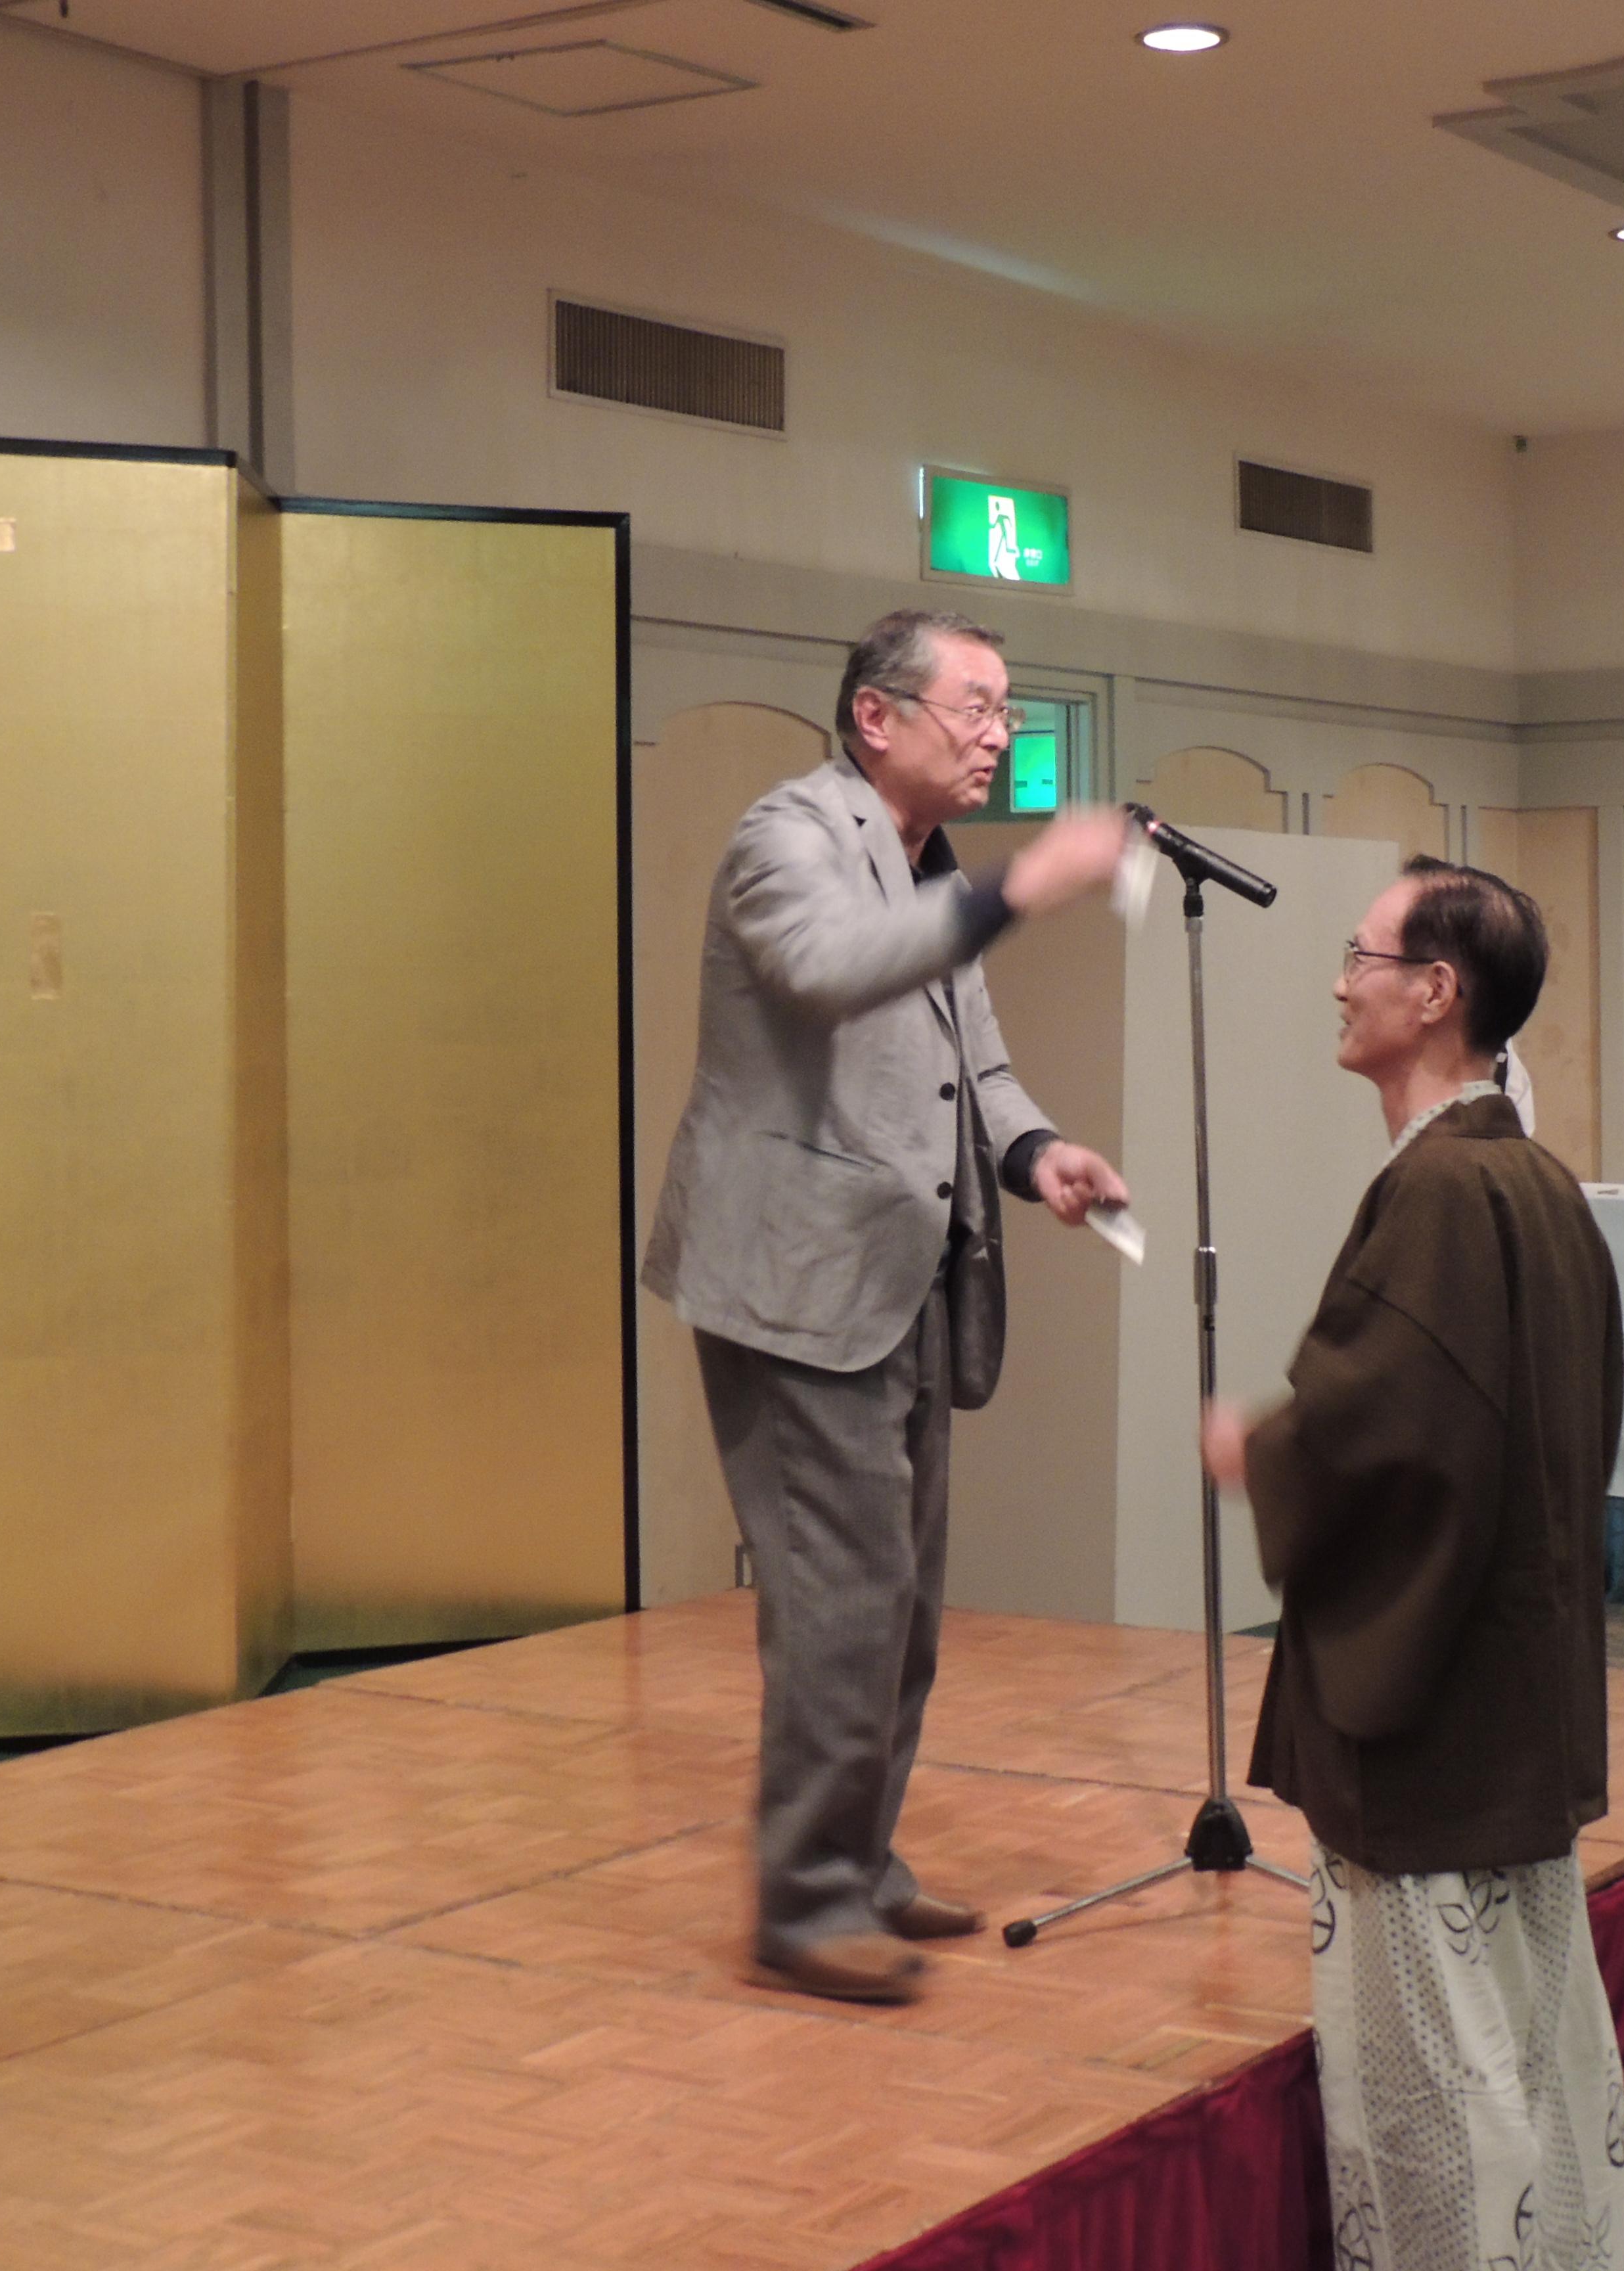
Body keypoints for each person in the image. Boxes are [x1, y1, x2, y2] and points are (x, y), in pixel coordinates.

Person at [644, 608, 1131, 2007]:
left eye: (1007, 712)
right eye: (977, 708)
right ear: (877, 715)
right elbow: (834, 969)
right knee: (838, 1604)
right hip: (799, 1285)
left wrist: (1037, 1154)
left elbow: (979, 1066)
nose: (1000, 736)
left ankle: (859, 1862)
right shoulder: (785, 837)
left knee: (898, 1607)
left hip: (905, 1275)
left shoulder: (926, 864)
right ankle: (804, 1907)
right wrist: (1025, 884)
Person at [1202, 856, 1624, 2271]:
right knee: (1528, 2040)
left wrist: (1265, 1453)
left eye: (1363, 957)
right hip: (1513, 1682)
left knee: (1440, 2075)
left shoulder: (1448, 1193)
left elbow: (1392, 1428)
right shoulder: (1536, 1182)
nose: (1341, 984)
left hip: (1437, 1721)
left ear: (1437, 992)